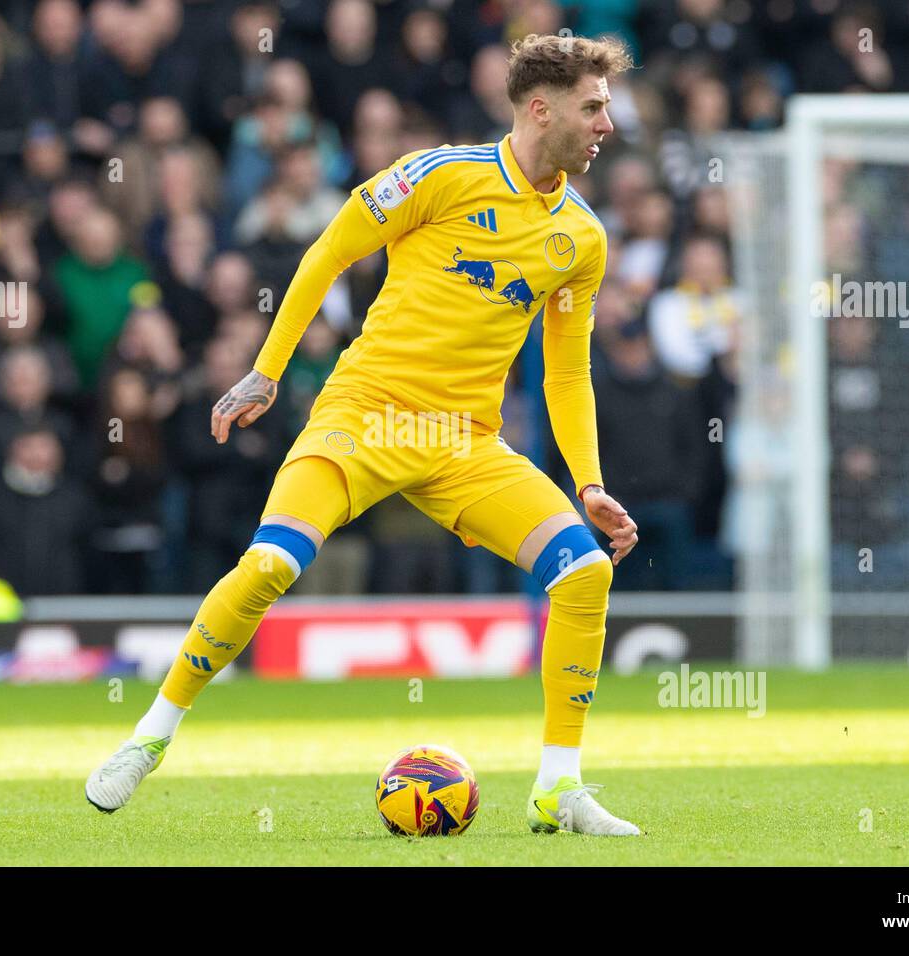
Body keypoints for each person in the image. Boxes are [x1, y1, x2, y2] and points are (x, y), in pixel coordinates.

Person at [86, 34, 643, 837]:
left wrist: (587, 482)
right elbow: (330, 251)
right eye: (593, 107)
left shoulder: (582, 238)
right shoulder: (442, 174)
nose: (607, 125)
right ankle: (149, 737)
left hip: (463, 441)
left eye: (608, 108)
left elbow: (566, 373)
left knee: (584, 573)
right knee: (272, 563)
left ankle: (559, 786)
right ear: (540, 108)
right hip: (365, 415)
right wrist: (267, 370)